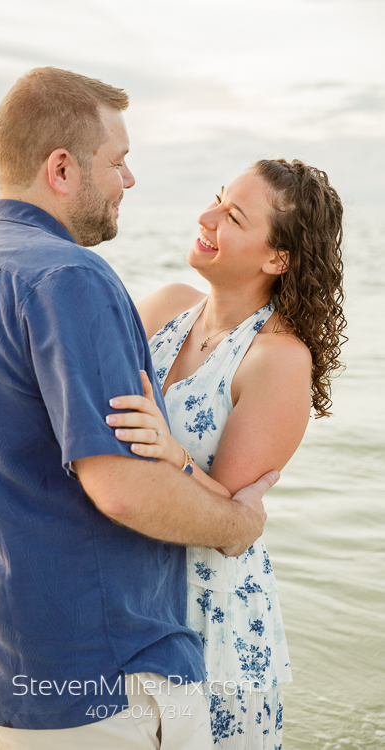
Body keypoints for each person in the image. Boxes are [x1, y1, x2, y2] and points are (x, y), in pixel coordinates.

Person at [0, 67, 278, 750]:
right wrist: (237, 522)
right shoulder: (69, 276)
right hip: (83, 677)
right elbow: (121, 487)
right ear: (61, 168)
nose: (129, 181)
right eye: (119, 161)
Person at [106, 158, 346, 747]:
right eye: (216, 199)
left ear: (277, 259)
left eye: (232, 216)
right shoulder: (165, 307)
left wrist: (172, 454)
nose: (206, 217)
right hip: (124, 594)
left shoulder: (277, 360)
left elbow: (228, 522)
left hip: (209, 615)